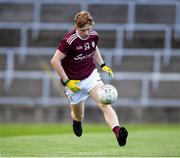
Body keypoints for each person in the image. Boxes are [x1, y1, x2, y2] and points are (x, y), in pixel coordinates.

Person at [51, 11, 128, 146]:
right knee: (79, 115)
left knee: (104, 102)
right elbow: (55, 61)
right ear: (76, 28)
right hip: (74, 82)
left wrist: (102, 64)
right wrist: (67, 82)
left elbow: (94, 47)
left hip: (90, 76)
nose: (87, 33)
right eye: (83, 30)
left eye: (89, 29)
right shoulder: (69, 41)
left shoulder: (93, 35)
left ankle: (118, 132)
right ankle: (77, 122)